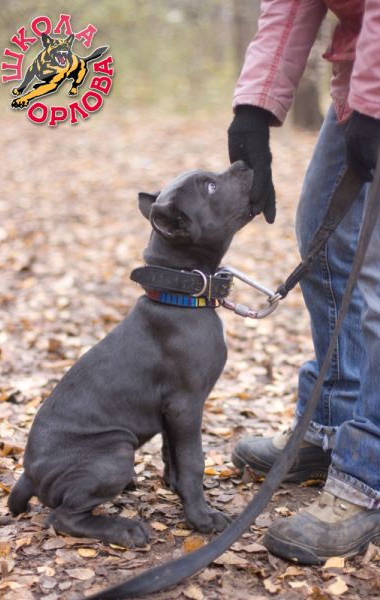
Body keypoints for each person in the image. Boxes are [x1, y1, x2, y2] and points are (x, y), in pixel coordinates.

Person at [228, 0, 380, 564]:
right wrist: (254, 108)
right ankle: (332, 423)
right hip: (362, 77)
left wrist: (374, 102)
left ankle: (368, 474)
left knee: (375, 270)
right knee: (323, 232)